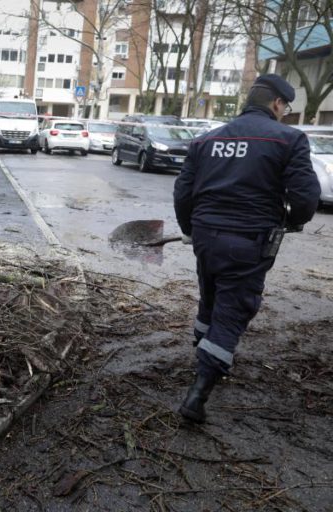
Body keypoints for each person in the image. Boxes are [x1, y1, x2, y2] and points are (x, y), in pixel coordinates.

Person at [173, 74, 320, 423]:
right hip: (250, 239)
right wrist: (293, 219)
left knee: (210, 296)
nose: (284, 113)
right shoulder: (289, 139)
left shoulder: (206, 140)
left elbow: (183, 193)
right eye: (285, 107)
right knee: (234, 309)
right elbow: (305, 197)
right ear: (277, 104)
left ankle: (204, 351)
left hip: (206, 236)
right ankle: (198, 394)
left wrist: (190, 230)